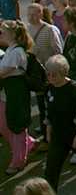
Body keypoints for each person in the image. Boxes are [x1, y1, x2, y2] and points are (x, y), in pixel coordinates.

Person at [42, 54, 76, 191]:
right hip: (59, 136)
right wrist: (48, 131)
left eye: (54, 75)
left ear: (63, 73)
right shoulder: (50, 89)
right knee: (51, 171)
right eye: (48, 74)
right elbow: (49, 111)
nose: (50, 78)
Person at [0, 21, 38, 175]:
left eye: (2, 31)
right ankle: (26, 145)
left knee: (17, 126)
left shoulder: (16, 52)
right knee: (5, 124)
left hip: (17, 94)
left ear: (13, 34)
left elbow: (3, 71)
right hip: (9, 94)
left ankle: (18, 160)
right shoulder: (10, 49)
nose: (0, 33)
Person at [27, 3, 63, 145]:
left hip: (50, 73)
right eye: (29, 14)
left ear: (41, 14)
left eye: (34, 14)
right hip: (37, 74)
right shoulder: (28, 30)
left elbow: (58, 50)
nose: (31, 17)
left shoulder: (50, 30)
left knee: (52, 103)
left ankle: (55, 133)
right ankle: (45, 132)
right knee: (42, 104)